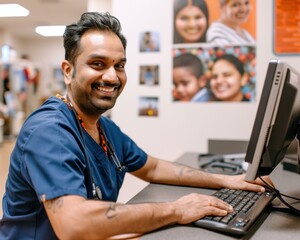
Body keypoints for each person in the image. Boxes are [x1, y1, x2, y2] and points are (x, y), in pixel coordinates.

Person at [0, 12, 270, 239]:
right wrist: (177, 209)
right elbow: (74, 224)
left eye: (119, 65)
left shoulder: (103, 129)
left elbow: (152, 167)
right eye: (97, 64)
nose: (111, 76)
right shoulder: (51, 131)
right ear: (68, 71)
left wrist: (227, 180)